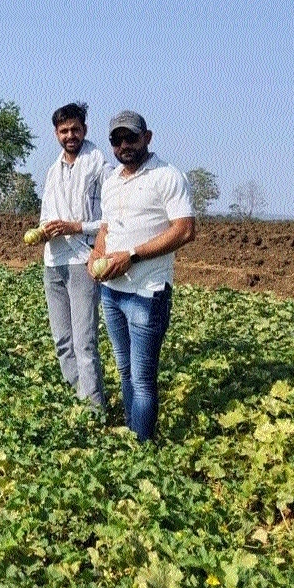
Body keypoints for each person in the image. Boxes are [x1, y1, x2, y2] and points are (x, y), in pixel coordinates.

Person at [89, 111, 195, 442]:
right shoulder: (111, 181)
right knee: (123, 370)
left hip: (147, 293)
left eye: (130, 138)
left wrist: (132, 255)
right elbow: (107, 227)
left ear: (147, 138)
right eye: (116, 140)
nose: (124, 145)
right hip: (112, 290)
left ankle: (143, 445)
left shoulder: (167, 176)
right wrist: (97, 251)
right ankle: (134, 438)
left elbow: (185, 230)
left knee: (142, 377)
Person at [38, 102, 113, 406]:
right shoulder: (53, 172)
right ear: (56, 133)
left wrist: (73, 226)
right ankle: (80, 396)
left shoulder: (100, 166)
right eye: (64, 130)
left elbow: (111, 220)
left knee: (85, 341)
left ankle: (95, 406)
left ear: (85, 130)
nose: (70, 135)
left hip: (83, 259)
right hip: (53, 262)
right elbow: (45, 215)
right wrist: (43, 231)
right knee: (62, 341)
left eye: (75, 129)